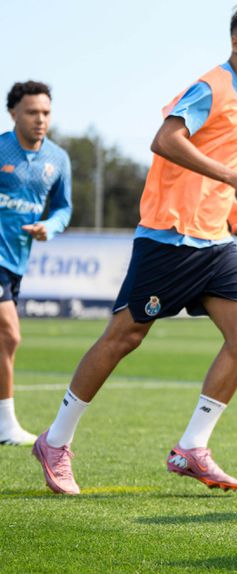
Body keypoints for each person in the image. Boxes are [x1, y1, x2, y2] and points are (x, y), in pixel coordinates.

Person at [31, 0, 237, 495]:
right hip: (169, 237)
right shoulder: (209, 87)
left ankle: (193, 447)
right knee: (123, 338)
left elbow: (211, 162)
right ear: (236, 43)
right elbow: (166, 141)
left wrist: (229, 201)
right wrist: (233, 178)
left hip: (213, 240)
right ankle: (55, 441)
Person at [0, 81, 72, 446]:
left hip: (16, 261)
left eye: (45, 112)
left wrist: (50, 226)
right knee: (9, 334)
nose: (40, 119)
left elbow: (64, 207)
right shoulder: (0, 150)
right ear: (13, 113)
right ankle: (6, 425)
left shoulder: (57, 159)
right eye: (31, 112)